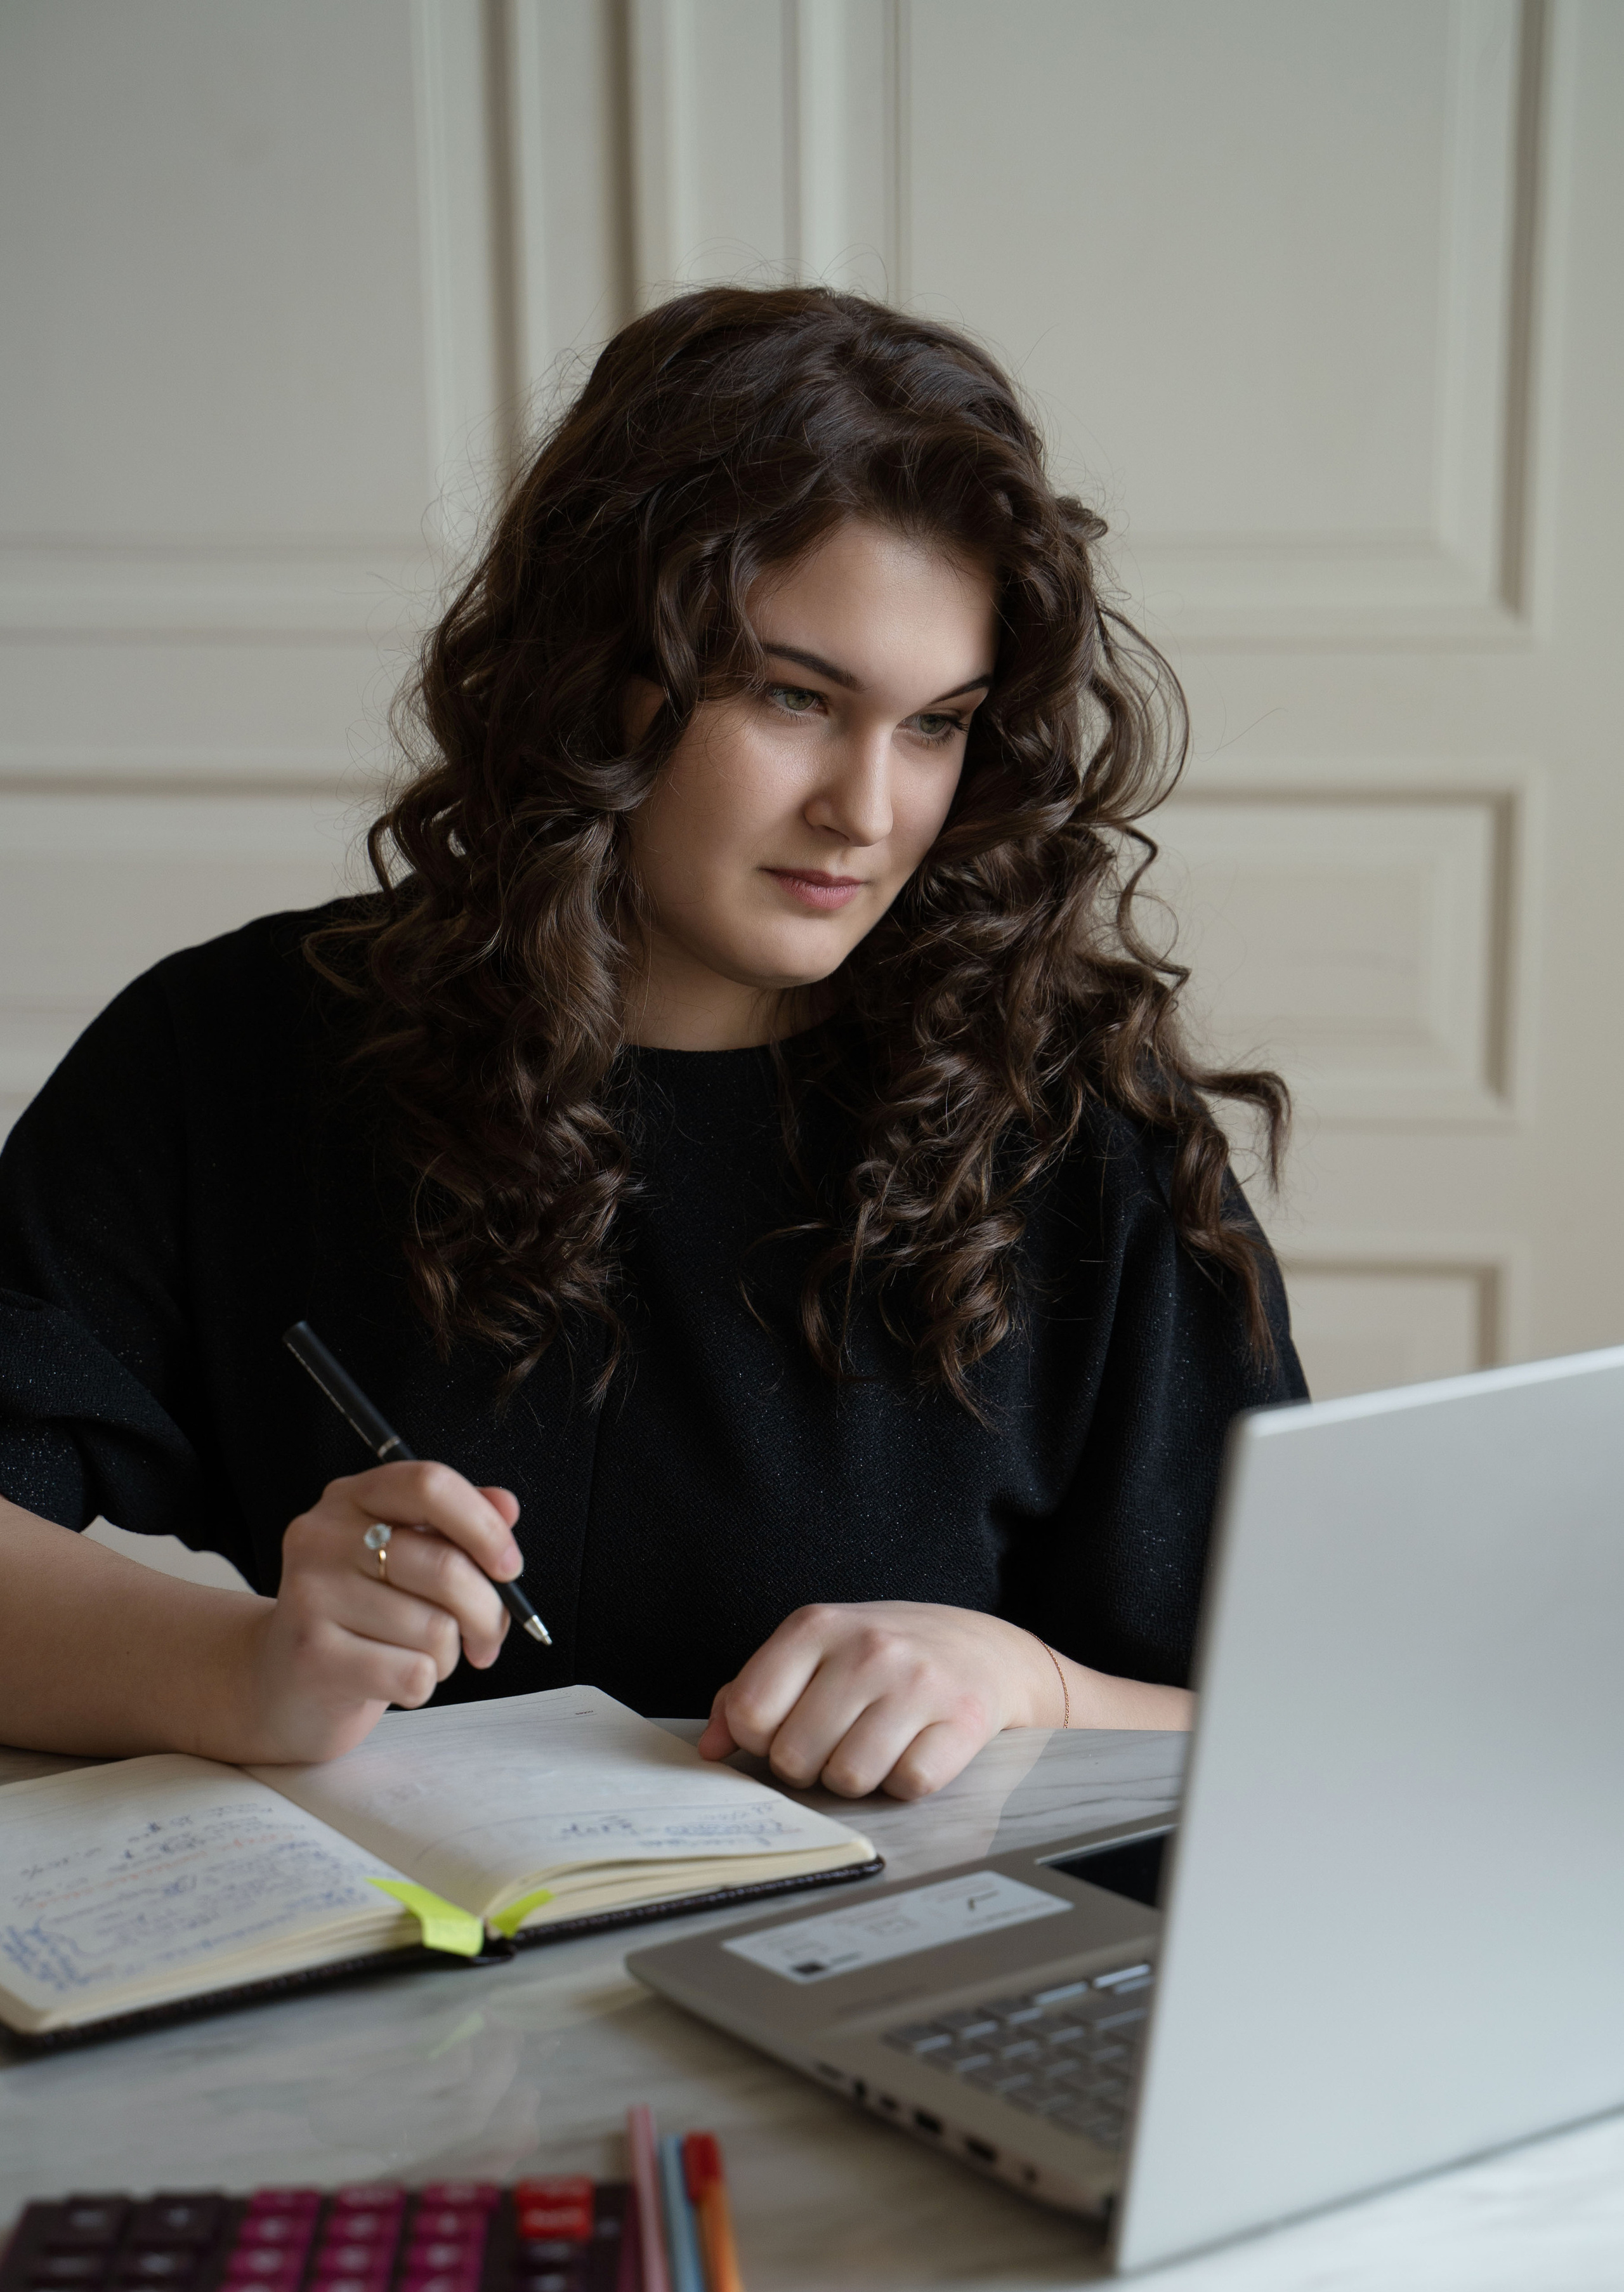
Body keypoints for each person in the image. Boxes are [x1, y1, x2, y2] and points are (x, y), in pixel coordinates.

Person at [0, 285, 1303, 1798]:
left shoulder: (1081, 1134)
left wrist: (1035, 1685)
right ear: (596, 668)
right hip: (393, 2006)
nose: (866, 812)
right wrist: (244, 1670)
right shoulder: (231, 1053)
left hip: (886, 2002)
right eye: (789, 696)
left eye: (936, 724)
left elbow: (1320, 1716)